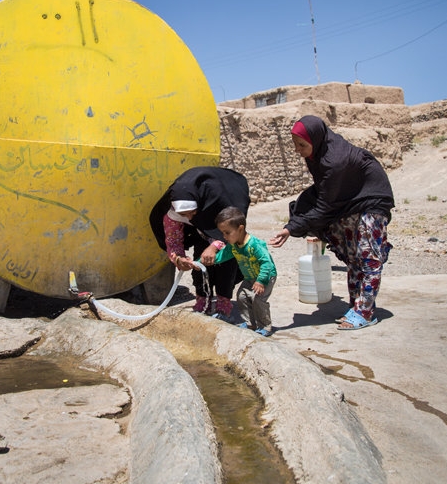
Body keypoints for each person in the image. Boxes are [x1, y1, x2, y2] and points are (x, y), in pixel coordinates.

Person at [269, 116, 394, 330]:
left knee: (368, 256)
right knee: (354, 258)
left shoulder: (333, 160)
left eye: (302, 145)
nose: (298, 150)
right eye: (295, 145)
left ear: (316, 140)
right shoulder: (317, 154)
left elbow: (325, 206)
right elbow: (324, 194)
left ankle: (365, 312)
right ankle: (356, 306)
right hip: (349, 201)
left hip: (372, 200)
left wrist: (291, 228)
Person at [149, 166, 250, 321]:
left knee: (226, 269)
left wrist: (215, 245)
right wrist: (178, 258)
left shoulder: (218, 201)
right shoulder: (174, 213)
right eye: (184, 214)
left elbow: (233, 231)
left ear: (200, 203)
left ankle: (224, 306)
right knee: (200, 268)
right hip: (201, 235)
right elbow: (173, 239)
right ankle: (203, 303)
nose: (189, 218)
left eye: (192, 212)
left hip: (226, 235)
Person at [208, 206, 278, 337]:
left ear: (240, 229)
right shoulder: (234, 246)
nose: (224, 236)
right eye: (222, 233)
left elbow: (266, 263)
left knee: (258, 300)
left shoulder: (254, 245)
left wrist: (261, 281)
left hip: (265, 276)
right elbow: (221, 256)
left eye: (227, 233)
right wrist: (203, 261)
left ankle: (265, 326)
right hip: (250, 278)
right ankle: (250, 323)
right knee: (242, 296)